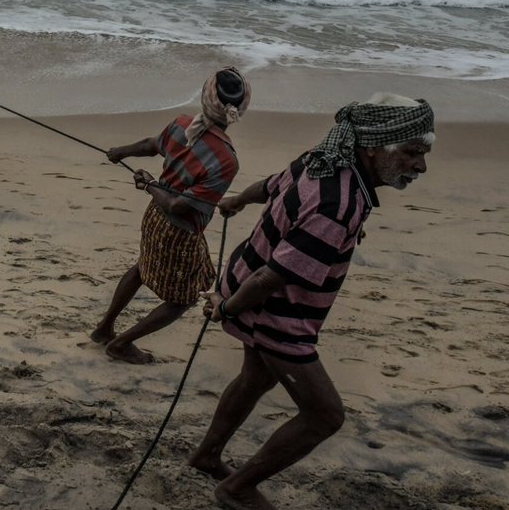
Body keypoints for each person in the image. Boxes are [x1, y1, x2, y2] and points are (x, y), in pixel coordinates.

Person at [188, 94, 434, 510]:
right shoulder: (339, 205)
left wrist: (237, 200)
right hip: (276, 312)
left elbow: (269, 186)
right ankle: (237, 489)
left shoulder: (321, 159)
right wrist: (226, 310)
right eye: (411, 152)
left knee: (255, 380)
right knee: (324, 416)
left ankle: (206, 455)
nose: (421, 166)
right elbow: (273, 278)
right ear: (372, 145)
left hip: (244, 275)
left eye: (423, 154)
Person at [90, 67, 251, 364]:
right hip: (179, 229)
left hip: (154, 217)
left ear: (206, 97)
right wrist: (149, 182)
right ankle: (121, 343)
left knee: (142, 268)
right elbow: (180, 206)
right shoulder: (227, 159)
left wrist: (122, 152)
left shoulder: (181, 124)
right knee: (185, 298)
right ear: (239, 109)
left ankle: (104, 329)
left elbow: (153, 146)